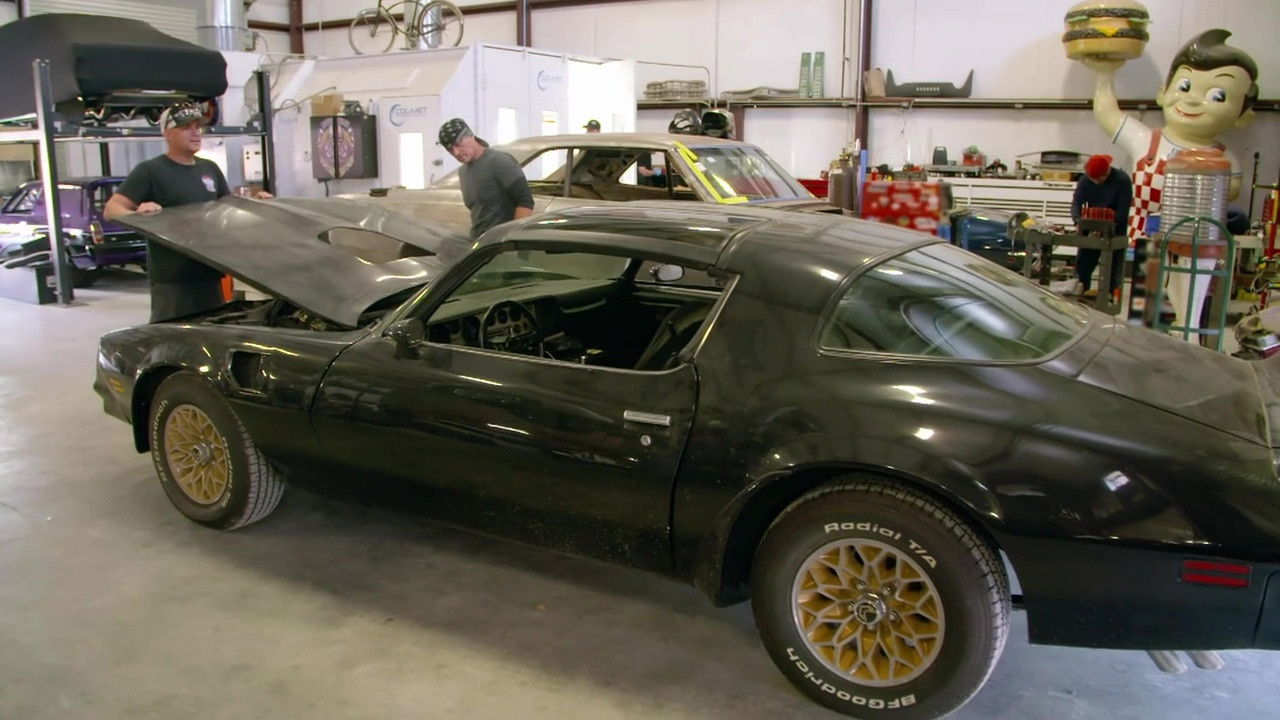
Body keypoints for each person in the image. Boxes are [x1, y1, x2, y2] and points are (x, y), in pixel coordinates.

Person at [1080, 29, 1258, 333]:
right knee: (1141, 315)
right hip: (1146, 244)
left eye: (1217, 95)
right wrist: (1104, 75)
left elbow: (1232, 189)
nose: (1194, 100)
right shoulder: (1146, 140)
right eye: (1185, 86)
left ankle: (1184, 350)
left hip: (1199, 246)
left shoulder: (1224, 156)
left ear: (1242, 115)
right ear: (1163, 92)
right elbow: (1107, 113)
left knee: (1190, 314)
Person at [104, 102, 270, 322]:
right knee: (173, 341)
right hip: (173, 279)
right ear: (167, 134)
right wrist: (138, 214)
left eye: (197, 126)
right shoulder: (151, 171)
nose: (195, 133)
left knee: (212, 336)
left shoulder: (209, 168)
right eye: (185, 128)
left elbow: (226, 208)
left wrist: (254, 203)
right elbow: (111, 209)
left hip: (209, 272)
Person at [437, 118, 534, 239]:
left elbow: (525, 202)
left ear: (470, 136)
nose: (456, 152)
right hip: (480, 244)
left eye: (458, 144)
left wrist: (513, 239)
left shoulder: (501, 162)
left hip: (502, 244)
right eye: (450, 149)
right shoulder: (463, 173)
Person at [1071, 154, 1132, 297]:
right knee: (1083, 265)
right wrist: (1078, 221)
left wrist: (1104, 227)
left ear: (1107, 172)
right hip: (1091, 227)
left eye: (1100, 179)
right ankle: (1080, 292)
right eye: (1093, 179)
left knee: (1112, 268)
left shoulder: (1122, 181)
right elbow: (1076, 202)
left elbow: (1123, 212)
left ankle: (1109, 296)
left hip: (1115, 229)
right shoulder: (1086, 180)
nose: (1097, 182)